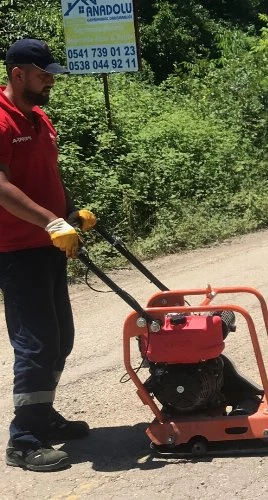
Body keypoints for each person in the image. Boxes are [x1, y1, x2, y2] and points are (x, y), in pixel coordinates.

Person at [0, 39, 98, 471]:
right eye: (44, 74)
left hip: (50, 243)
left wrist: (69, 212)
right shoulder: (0, 120)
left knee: (61, 339)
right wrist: (50, 223)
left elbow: (45, 176)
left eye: (52, 73)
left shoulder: (39, 116)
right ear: (17, 73)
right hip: (17, 251)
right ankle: (22, 440)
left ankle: (42, 417)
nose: (51, 80)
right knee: (36, 345)